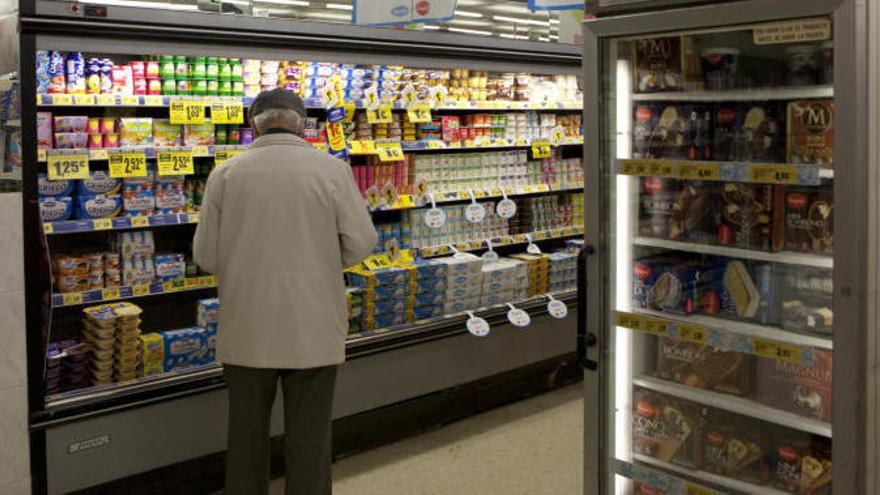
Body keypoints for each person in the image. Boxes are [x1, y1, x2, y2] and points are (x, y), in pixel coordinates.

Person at [193, 88, 378, 495]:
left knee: (245, 436)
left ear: (252, 124)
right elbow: (363, 243)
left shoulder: (226, 174)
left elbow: (205, 255)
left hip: (246, 327)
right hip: (312, 325)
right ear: (303, 125)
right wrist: (321, 260)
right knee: (310, 438)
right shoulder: (331, 171)